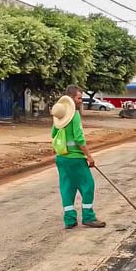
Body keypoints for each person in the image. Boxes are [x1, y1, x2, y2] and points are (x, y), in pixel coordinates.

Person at [51, 85, 106, 229]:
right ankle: (88, 217)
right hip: (75, 158)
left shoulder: (59, 117)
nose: (81, 100)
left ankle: (69, 219)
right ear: (71, 99)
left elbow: (53, 135)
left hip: (61, 158)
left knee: (67, 187)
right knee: (88, 185)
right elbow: (79, 139)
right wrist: (89, 156)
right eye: (79, 98)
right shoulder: (74, 115)